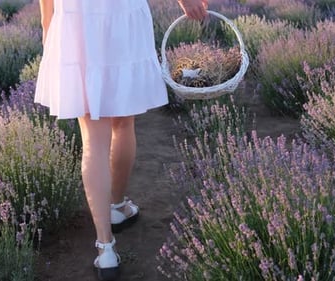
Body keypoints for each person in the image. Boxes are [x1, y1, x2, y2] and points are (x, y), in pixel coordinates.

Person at [35, 0, 208, 280]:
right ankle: (116, 205)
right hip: (122, 14)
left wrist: (48, 23)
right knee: (123, 122)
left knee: (93, 140)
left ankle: (105, 249)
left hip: (75, 16)